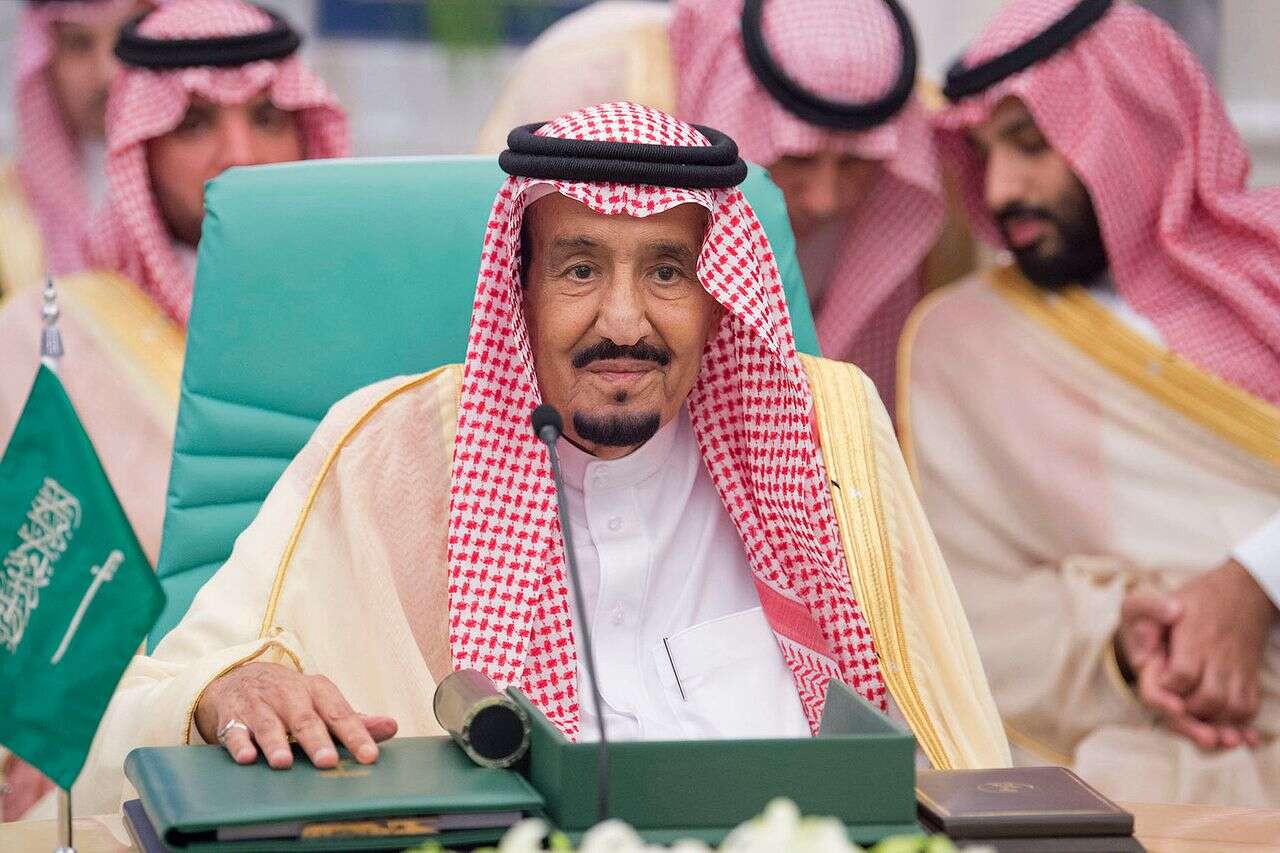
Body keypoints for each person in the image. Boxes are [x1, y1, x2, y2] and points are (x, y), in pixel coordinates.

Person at [78, 102, 1009, 815]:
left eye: (667, 270)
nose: (623, 320)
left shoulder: (826, 441)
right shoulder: (388, 453)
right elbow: (130, 719)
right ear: (518, 287)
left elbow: (951, 750)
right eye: (579, 268)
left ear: (720, 295)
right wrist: (221, 691)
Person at [901, 0, 1280, 806]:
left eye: (1032, 145)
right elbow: (963, 606)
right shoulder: (964, 343)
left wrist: (1256, 582)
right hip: (1144, 733)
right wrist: (1123, 648)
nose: (1000, 189)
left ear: (1135, 128)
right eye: (983, 153)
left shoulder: (1271, 271)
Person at [0, 0, 348, 821]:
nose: (241, 155)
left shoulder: (367, 324)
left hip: (364, 733)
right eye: (193, 124)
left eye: (268, 118)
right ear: (137, 145)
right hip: (133, 766)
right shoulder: (47, 335)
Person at [476, 0, 970, 410]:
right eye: (797, 158)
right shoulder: (593, 74)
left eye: (857, 163)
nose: (825, 200)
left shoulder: (926, 156)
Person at [1, 0, 148, 300]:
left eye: (130, 37)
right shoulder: (9, 203)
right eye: (79, 44)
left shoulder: (203, 184)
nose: (107, 72)